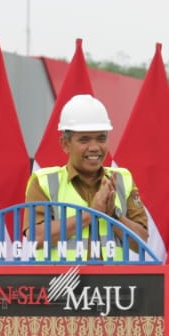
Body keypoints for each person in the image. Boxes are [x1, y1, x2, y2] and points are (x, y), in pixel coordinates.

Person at [26, 93, 148, 256]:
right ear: (65, 144)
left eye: (101, 138)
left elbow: (141, 242)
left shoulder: (122, 180)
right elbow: (36, 237)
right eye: (84, 140)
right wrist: (91, 213)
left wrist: (114, 216)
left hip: (113, 282)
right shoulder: (44, 182)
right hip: (61, 281)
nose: (94, 147)